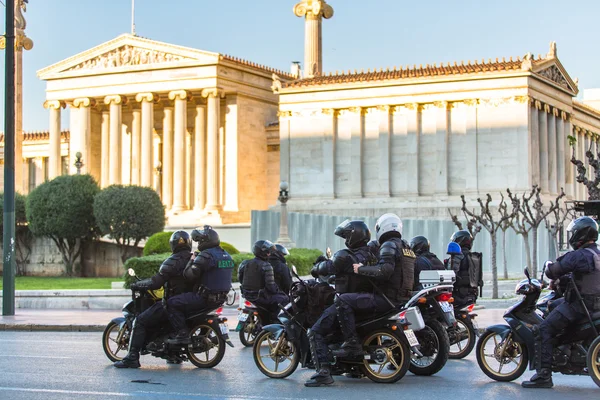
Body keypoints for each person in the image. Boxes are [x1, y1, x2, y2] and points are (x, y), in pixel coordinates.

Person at [522, 216, 600, 389]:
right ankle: (563, 347)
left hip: (579, 306)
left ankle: (543, 376)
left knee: (543, 329)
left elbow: (553, 270)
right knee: (552, 305)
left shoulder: (578, 256)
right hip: (595, 304)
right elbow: (585, 276)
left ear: (580, 234)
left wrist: (550, 267)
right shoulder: (597, 254)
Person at [304, 219, 378, 387]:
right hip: (366, 301)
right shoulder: (373, 254)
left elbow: (326, 267)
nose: (345, 241)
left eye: (346, 237)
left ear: (354, 237)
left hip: (346, 302)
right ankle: (354, 367)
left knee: (315, 332)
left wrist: (316, 268)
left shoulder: (345, 256)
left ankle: (323, 372)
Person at [114, 231, 193, 368]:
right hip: (191, 301)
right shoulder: (194, 259)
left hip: (172, 302)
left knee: (140, 321)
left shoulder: (172, 261)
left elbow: (156, 282)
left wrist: (139, 285)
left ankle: (132, 358)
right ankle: (173, 354)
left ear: (173, 245)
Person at [165, 226, 234, 345]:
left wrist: (192, 259)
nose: (198, 244)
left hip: (203, 298)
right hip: (221, 299)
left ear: (206, 241)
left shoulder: (206, 255)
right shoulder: (226, 255)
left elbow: (189, 275)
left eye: (200, 241)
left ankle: (182, 334)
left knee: (172, 303)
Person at [238, 240, 289, 322]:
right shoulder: (266, 266)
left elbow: (240, 279)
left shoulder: (245, 263)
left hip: (246, 295)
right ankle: (275, 320)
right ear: (263, 253)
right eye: (268, 252)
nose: (269, 254)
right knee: (285, 299)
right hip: (260, 297)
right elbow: (271, 287)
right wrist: (279, 291)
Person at [445, 230, 483, 308]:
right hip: (472, 295)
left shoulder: (456, 256)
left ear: (458, 240)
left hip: (457, 295)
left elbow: (450, 276)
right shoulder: (474, 257)